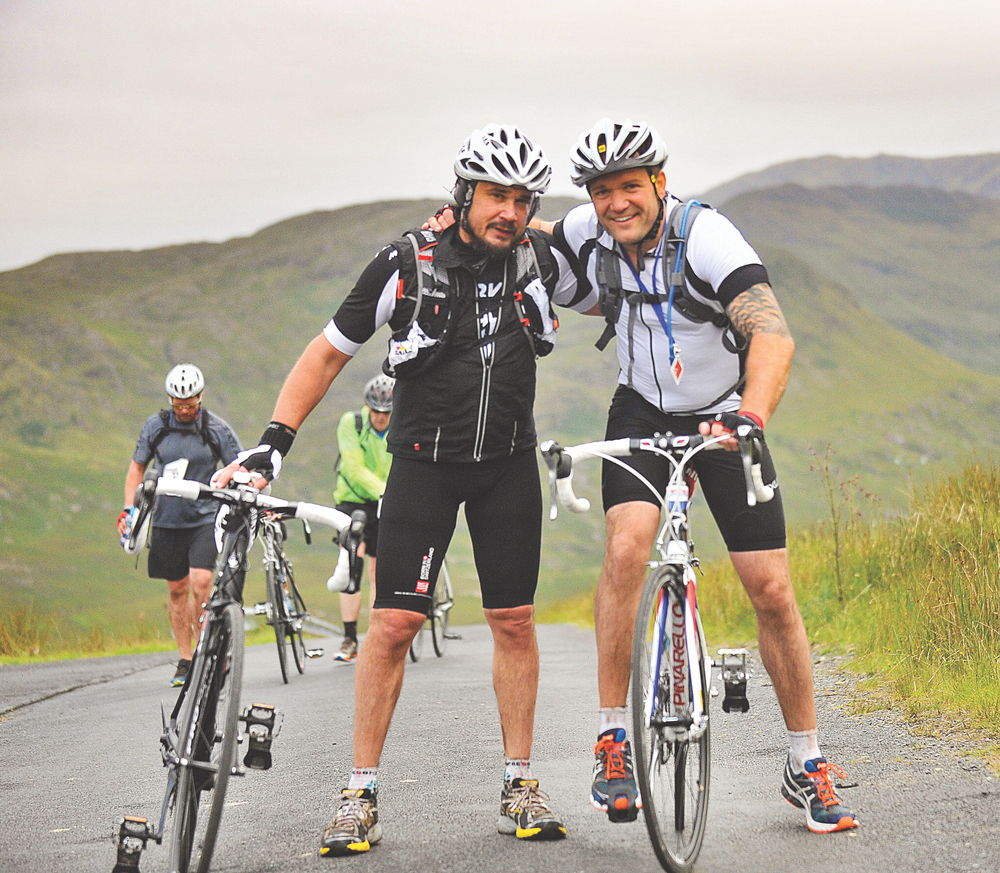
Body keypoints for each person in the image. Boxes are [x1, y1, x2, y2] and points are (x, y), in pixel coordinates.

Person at [214, 124, 597, 855]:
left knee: (513, 619)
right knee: (392, 627)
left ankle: (521, 782)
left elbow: (616, 282)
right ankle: (359, 792)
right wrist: (273, 442)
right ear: (462, 194)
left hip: (507, 462)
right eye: (495, 195)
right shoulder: (407, 260)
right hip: (422, 464)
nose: (508, 212)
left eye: (522, 199)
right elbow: (329, 351)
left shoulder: (540, 257)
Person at [549, 118, 858, 834]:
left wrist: (749, 415)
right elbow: (521, 239)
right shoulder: (585, 233)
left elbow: (772, 332)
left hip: (725, 413)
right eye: (602, 191)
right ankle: (613, 738)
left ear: (659, 182)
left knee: (771, 588)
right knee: (627, 547)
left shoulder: (709, 237)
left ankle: (804, 758)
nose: (616, 201)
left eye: (630, 185)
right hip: (640, 407)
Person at [117, 364, 243, 687]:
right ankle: (185, 659)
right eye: (178, 403)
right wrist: (129, 510)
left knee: (202, 583)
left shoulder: (216, 430)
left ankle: (206, 654)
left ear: (201, 397)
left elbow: (238, 467)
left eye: (190, 403)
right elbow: (136, 469)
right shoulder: (155, 427)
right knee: (176, 590)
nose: (185, 409)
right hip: (166, 520)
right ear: (170, 400)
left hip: (204, 518)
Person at [328, 374, 394, 663]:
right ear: (367, 406)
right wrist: (383, 490)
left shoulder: (402, 426)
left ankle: (377, 638)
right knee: (351, 563)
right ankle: (349, 638)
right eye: (375, 410)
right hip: (354, 499)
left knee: (380, 573)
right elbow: (353, 467)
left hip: (388, 502)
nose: (380, 417)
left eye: (386, 412)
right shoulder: (350, 423)